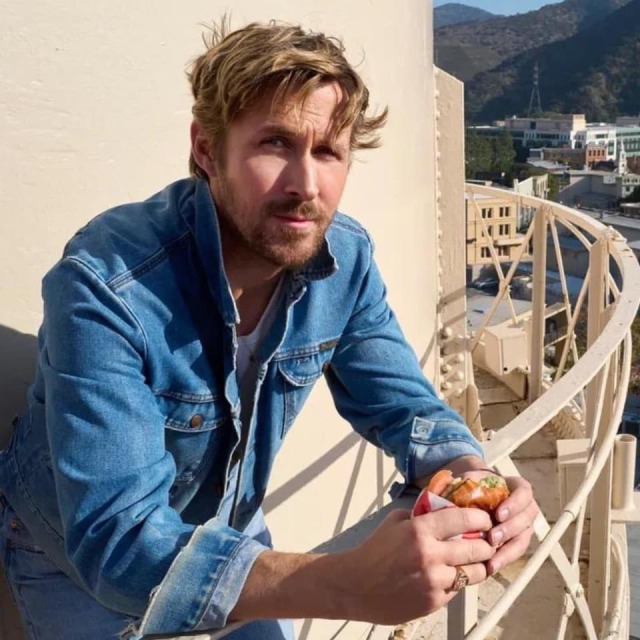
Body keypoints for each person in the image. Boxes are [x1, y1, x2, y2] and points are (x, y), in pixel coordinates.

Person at [0, 19, 538, 640]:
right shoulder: (106, 285)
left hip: (228, 531)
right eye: (276, 144)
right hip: (74, 564)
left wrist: (477, 475)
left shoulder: (345, 261)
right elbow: (117, 543)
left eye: (329, 152)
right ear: (206, 148)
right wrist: (348, 582)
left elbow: (404, 406)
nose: (306, 186)